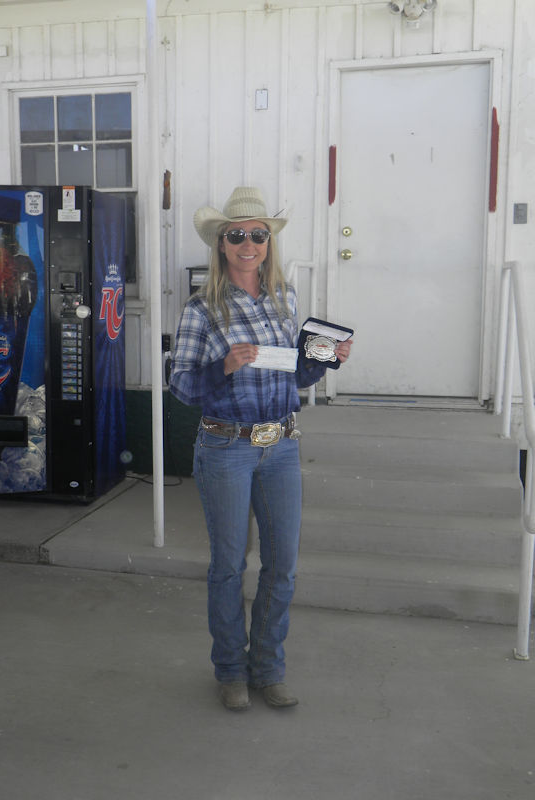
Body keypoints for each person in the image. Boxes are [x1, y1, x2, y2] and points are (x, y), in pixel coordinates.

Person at [169, 187, 352, 711]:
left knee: (282, 566)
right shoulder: (202, 308)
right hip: (225, 446)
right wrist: (223, 366)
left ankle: (268, 669)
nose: (248, 244)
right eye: (237, 235)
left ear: (268, 242)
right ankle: (231, 671)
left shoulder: (285, 299)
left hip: (282, 446)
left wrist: (327, 358)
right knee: (229, 565)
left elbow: (296, 374)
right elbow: (180, 385)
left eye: (258, 234)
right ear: (221, 244)